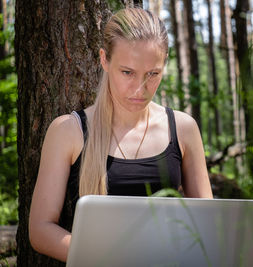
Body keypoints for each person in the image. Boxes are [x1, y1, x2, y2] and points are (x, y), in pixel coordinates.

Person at [29, 7, 213, 263]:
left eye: (153, 74)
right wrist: (113, 258)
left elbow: (210, 226)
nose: (140, 88)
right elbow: (40, 230)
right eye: (127, 72)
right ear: (104, 60)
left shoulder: (182, 128)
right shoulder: (68, 131)